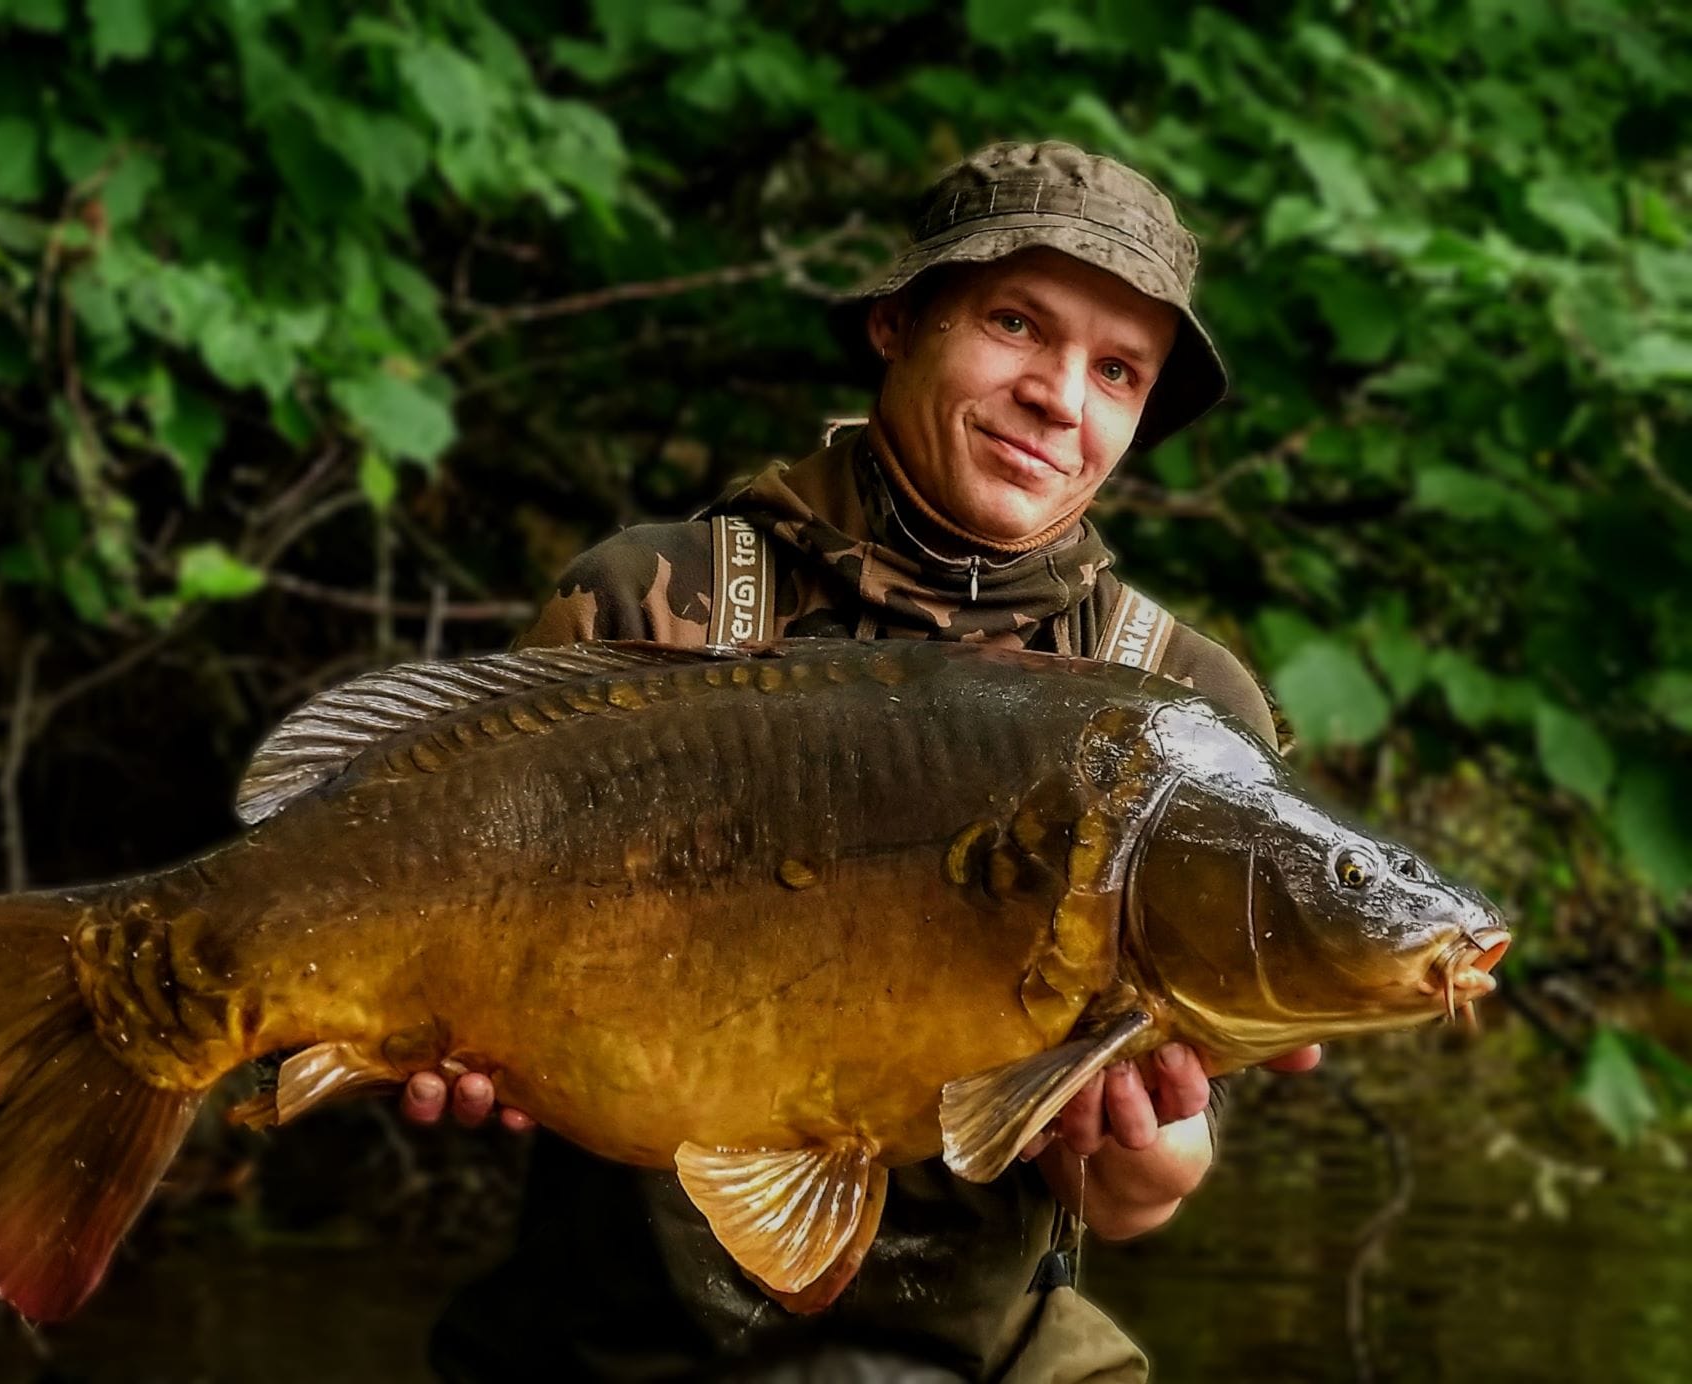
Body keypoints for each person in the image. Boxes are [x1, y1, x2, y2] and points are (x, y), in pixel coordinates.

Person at [418, 141, 1319, 1382]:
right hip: (620, 1342)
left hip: (970, 1354)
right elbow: (439, 912)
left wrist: (1125, 1142)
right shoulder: (649, 600)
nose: (1059, 396)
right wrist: (445, 1041)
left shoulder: (1179, 705)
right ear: (897, 322)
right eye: (1015, 323)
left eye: (1115, 371)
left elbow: (1140, 1199)